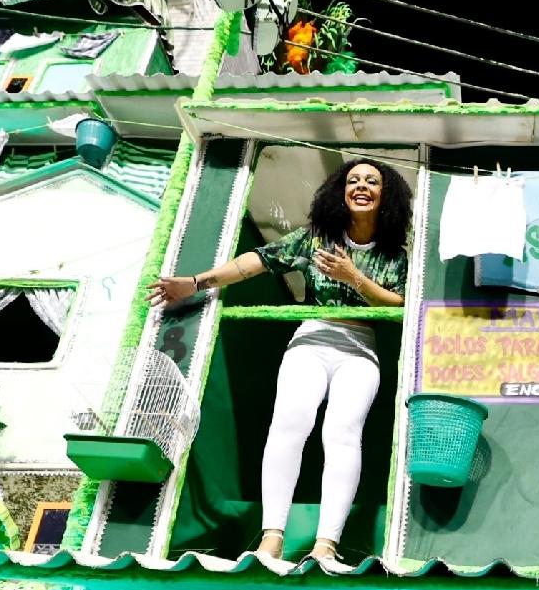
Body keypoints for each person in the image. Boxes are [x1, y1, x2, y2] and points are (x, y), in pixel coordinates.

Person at [149, 158, 411, 564]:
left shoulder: (395, 254)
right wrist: (196, 282)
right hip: (312, 337)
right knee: (290, 422)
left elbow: (400, 301)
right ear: (340, 191)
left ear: (385, 195)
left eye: (371, 181)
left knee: (342, 434)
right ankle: (271, 538)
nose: (361, 186)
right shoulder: (316, 238)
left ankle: (326, 545)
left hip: (360, 346)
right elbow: (256, 261)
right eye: (352, 180)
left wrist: (352, 277)